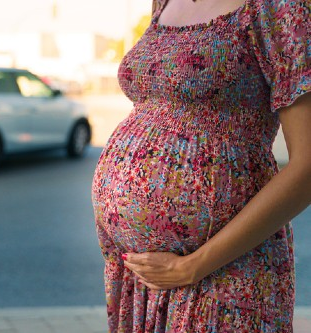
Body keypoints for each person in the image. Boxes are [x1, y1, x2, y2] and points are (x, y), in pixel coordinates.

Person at [91, 0, 310, 331]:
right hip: (143, 282)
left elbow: (307, 167)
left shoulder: (279, 7)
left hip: (223, 272)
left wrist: (191, 267)